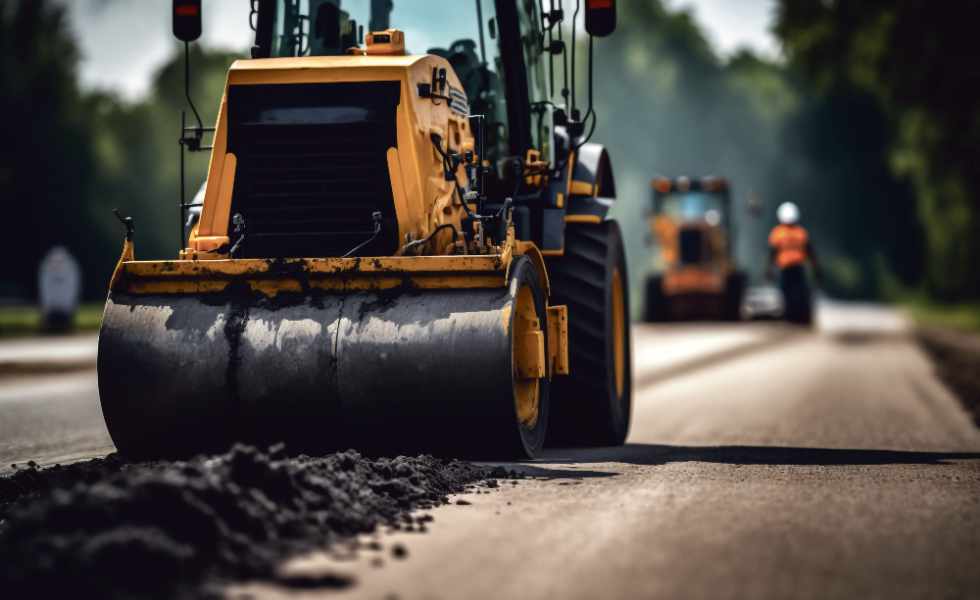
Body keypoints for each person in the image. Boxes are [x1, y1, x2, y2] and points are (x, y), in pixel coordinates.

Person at [767, 202, 820, 324]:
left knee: (788, 292)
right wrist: (816, 268)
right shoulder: (801, 232)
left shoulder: (778, 233)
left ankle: (791, 316)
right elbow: (810, 251)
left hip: (787, 268)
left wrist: (769, 269)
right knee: (800, 292)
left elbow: (772, 252)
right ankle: (799, 316)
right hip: (797, 267)